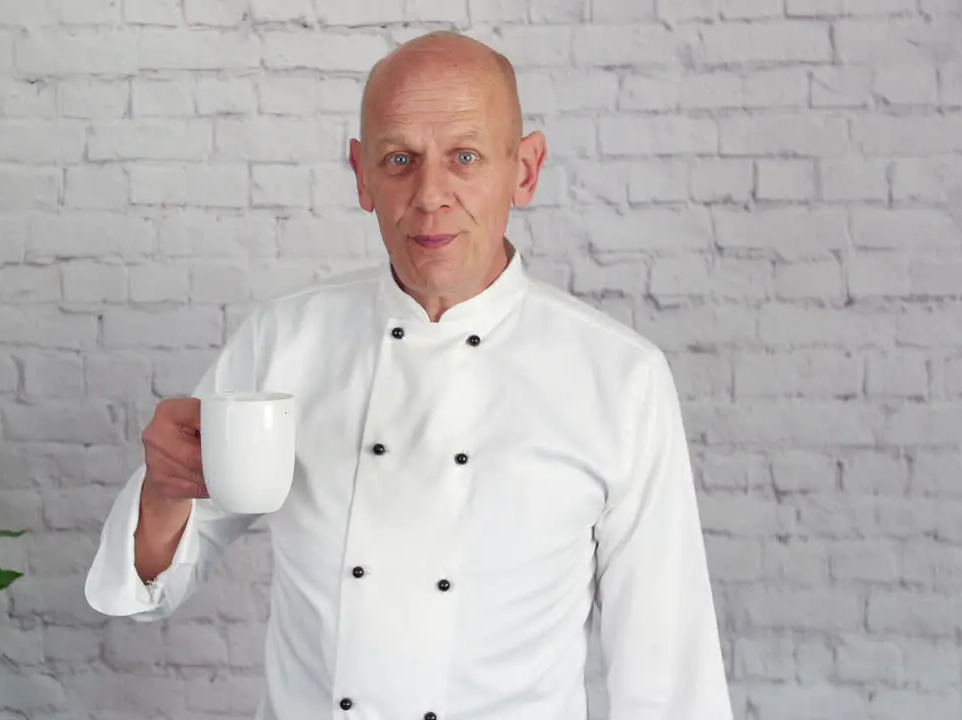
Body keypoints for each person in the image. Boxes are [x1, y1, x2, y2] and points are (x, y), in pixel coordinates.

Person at [85, 30, 733, 720]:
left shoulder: (620, 378)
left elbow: (668, 678)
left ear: (526, 169)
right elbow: (153, 584)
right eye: (400, 160)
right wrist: (162, 493)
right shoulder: (285, 342)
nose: (430, 195)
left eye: (464, 157)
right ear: (362, 175)